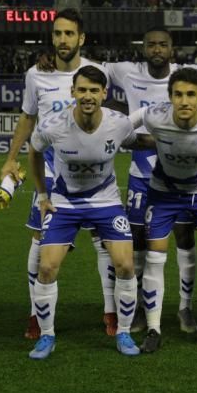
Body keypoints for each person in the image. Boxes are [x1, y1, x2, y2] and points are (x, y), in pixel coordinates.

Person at [0, 8, 116, 340]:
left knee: (103, 241)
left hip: (94, 175)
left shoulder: (98, 71)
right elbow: (27, 118)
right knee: (39, 243)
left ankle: (110, 311)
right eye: (57, 33)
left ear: (81, 38)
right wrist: (11, 159)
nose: (62, 40)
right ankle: (36, 314)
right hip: (52, 175)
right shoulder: (36, 74)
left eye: (69, 34)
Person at [27, 65, 141, 360]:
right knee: (47, 267)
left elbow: (135, 140)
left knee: (126, 265)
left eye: (94, 90)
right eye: (82, 90)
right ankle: (46, 336)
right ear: (73, 92)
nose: (88, 96)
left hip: (106, 202)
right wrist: (42, 193)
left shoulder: (119, 123)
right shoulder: (53, 125)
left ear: (104, 93)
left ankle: (124, 332)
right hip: (64, 203)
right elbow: (35, 151)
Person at [100, 27, 197, 335]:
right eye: (151, 44)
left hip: (182, 177)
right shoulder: (126, 72)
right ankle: (143, 307)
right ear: (143, 48)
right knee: (140, 241)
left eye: (163, 44)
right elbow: (84, 70)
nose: (157, 49)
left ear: (172, 49)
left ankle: (185, 307)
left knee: (185, 238)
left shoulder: (191, 73)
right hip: (142, 176)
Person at [132, 67, 197, 353]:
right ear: (169, 98)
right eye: (178, 94)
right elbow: (120, 126)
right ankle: (154, 329)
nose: (184, 101)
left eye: (191, 94)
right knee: (155, 257)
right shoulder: (155, 115)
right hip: (164, 192)